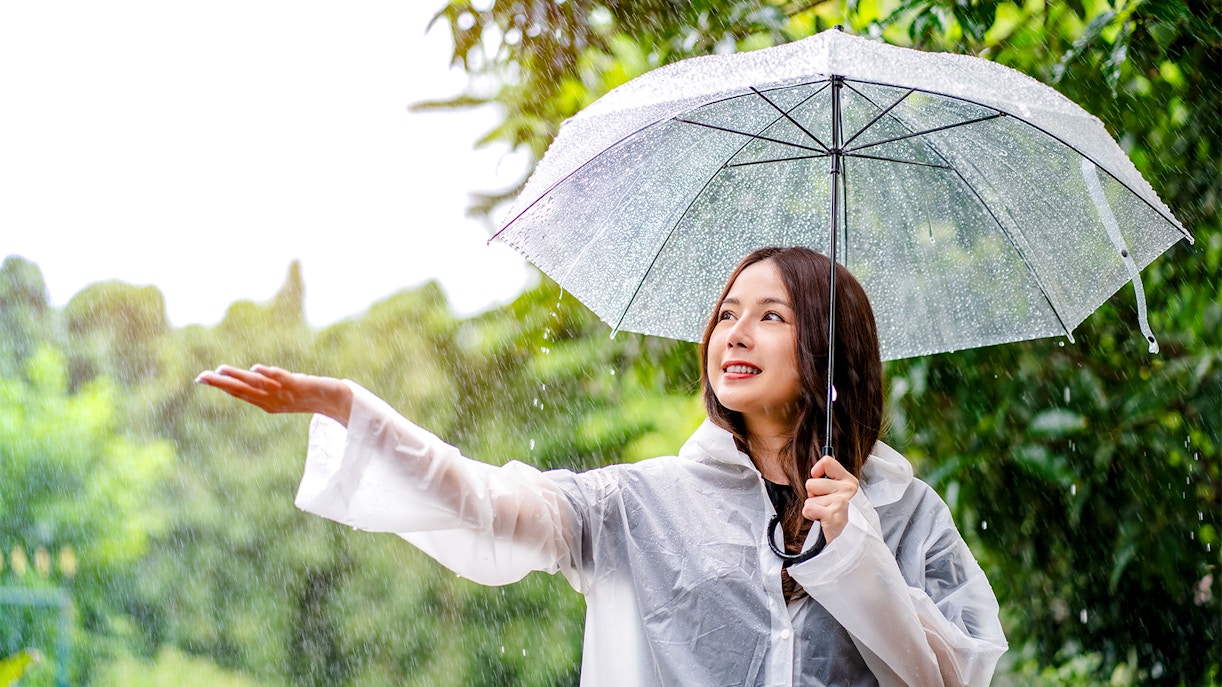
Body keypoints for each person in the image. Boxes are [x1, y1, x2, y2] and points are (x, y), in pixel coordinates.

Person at [196, 246, 1007, 686]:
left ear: (832, 351)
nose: (735, 333)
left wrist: (856, 548)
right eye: (726, 313)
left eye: (771, 316)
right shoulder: (642, 502)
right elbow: (491, 503)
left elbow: (949, 680)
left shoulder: (903, 514)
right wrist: (353, 409)